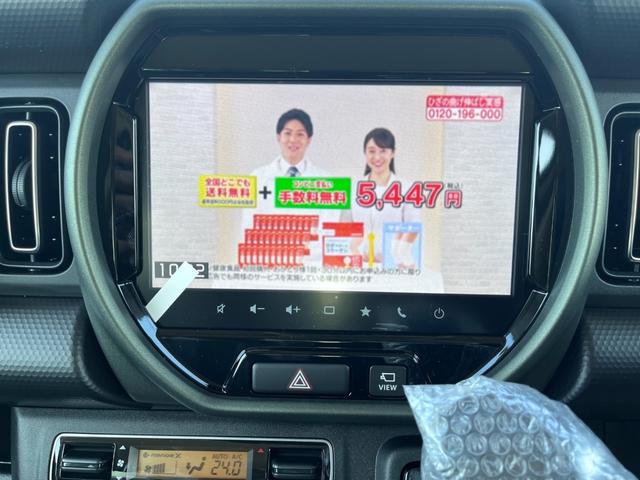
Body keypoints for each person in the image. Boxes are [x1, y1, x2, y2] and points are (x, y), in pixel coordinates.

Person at [241, 109, 339, 262]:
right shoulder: (257, 178)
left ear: (309, 140)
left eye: (300, 134)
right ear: (278, 137)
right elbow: (249, 227)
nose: (293, 139)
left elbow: (328, 233)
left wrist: (299, 256)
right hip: (269, 263)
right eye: (287, 133)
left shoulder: (327, 181)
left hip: (310, 266)